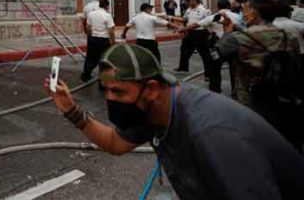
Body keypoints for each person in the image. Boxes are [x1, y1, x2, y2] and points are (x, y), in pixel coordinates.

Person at [44, 44, 304, 200]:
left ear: (152, 88)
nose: (110, 99)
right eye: (107, 90)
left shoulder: (212, 133)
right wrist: (71, 111)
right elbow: (115, 143)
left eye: (119, 92)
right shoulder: (152, 109)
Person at [217, 0, 303, 152]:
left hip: (251, 100)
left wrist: (227, 33)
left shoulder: (239, 38)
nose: (243, 15)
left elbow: (216, 56)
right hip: (285, 97)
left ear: (254, 14)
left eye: (245, 11)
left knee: (257, 146)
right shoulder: (289, 35)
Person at [181, 0, 240, 93]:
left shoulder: (214, 16)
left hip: (218, 46)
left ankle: (215, 89)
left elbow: (196, 24)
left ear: (218, 6)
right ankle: (235, 90)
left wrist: (183, 29)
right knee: (234, 69)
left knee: (215, 68)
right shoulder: (238, 17)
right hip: (234, 45)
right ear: (229, 6)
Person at [171, 0, 211, 74]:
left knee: (204, 53)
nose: (187, 2)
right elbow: (184, 19)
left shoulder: (203, 10)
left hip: (200, 33)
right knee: (184, 49)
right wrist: (172, 17)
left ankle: (208, 73)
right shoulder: (188, 9)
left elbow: (209, 22)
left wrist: (210, 33)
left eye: (189, 1)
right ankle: (183, 67)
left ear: (195, 0)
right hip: (190, 32)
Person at [81, 0, 115, 83]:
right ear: (107, 6)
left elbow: (88, 27)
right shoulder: (107, 16)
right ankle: (102, 80)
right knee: (104, 59)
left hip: (93, 38)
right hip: (103, 39)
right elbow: (111, 31)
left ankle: (86, 75)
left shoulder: (92, 14)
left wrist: (90, 37)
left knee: (91, 58)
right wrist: (113, 42)